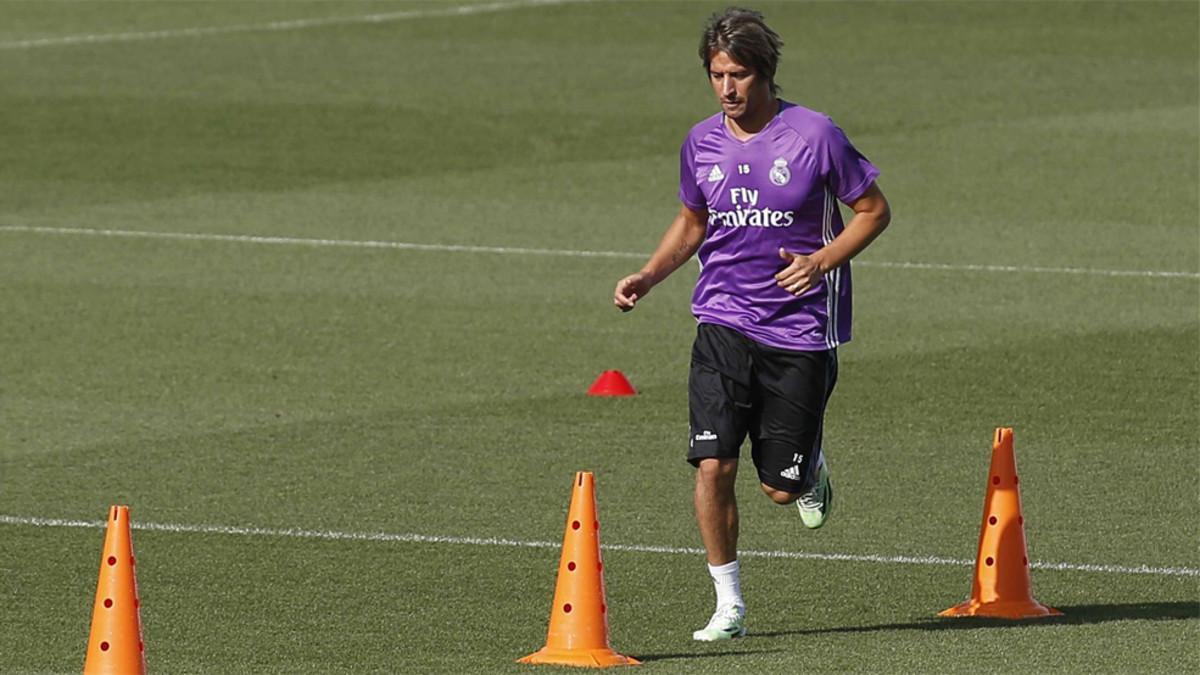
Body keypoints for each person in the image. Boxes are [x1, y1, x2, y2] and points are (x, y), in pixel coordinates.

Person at [613, 7, 891, 641]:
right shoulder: (700, 142)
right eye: (716, 75)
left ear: (765, 74)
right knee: (713, 464)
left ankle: (808, 465)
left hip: (799, 330)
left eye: (738, 74)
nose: (727, 89)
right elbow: (692, 222)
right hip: (723, 320)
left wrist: (821, 261)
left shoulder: (816, 135)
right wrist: (649, 275)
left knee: (780, 492)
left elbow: (874, 211)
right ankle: (728, 604)